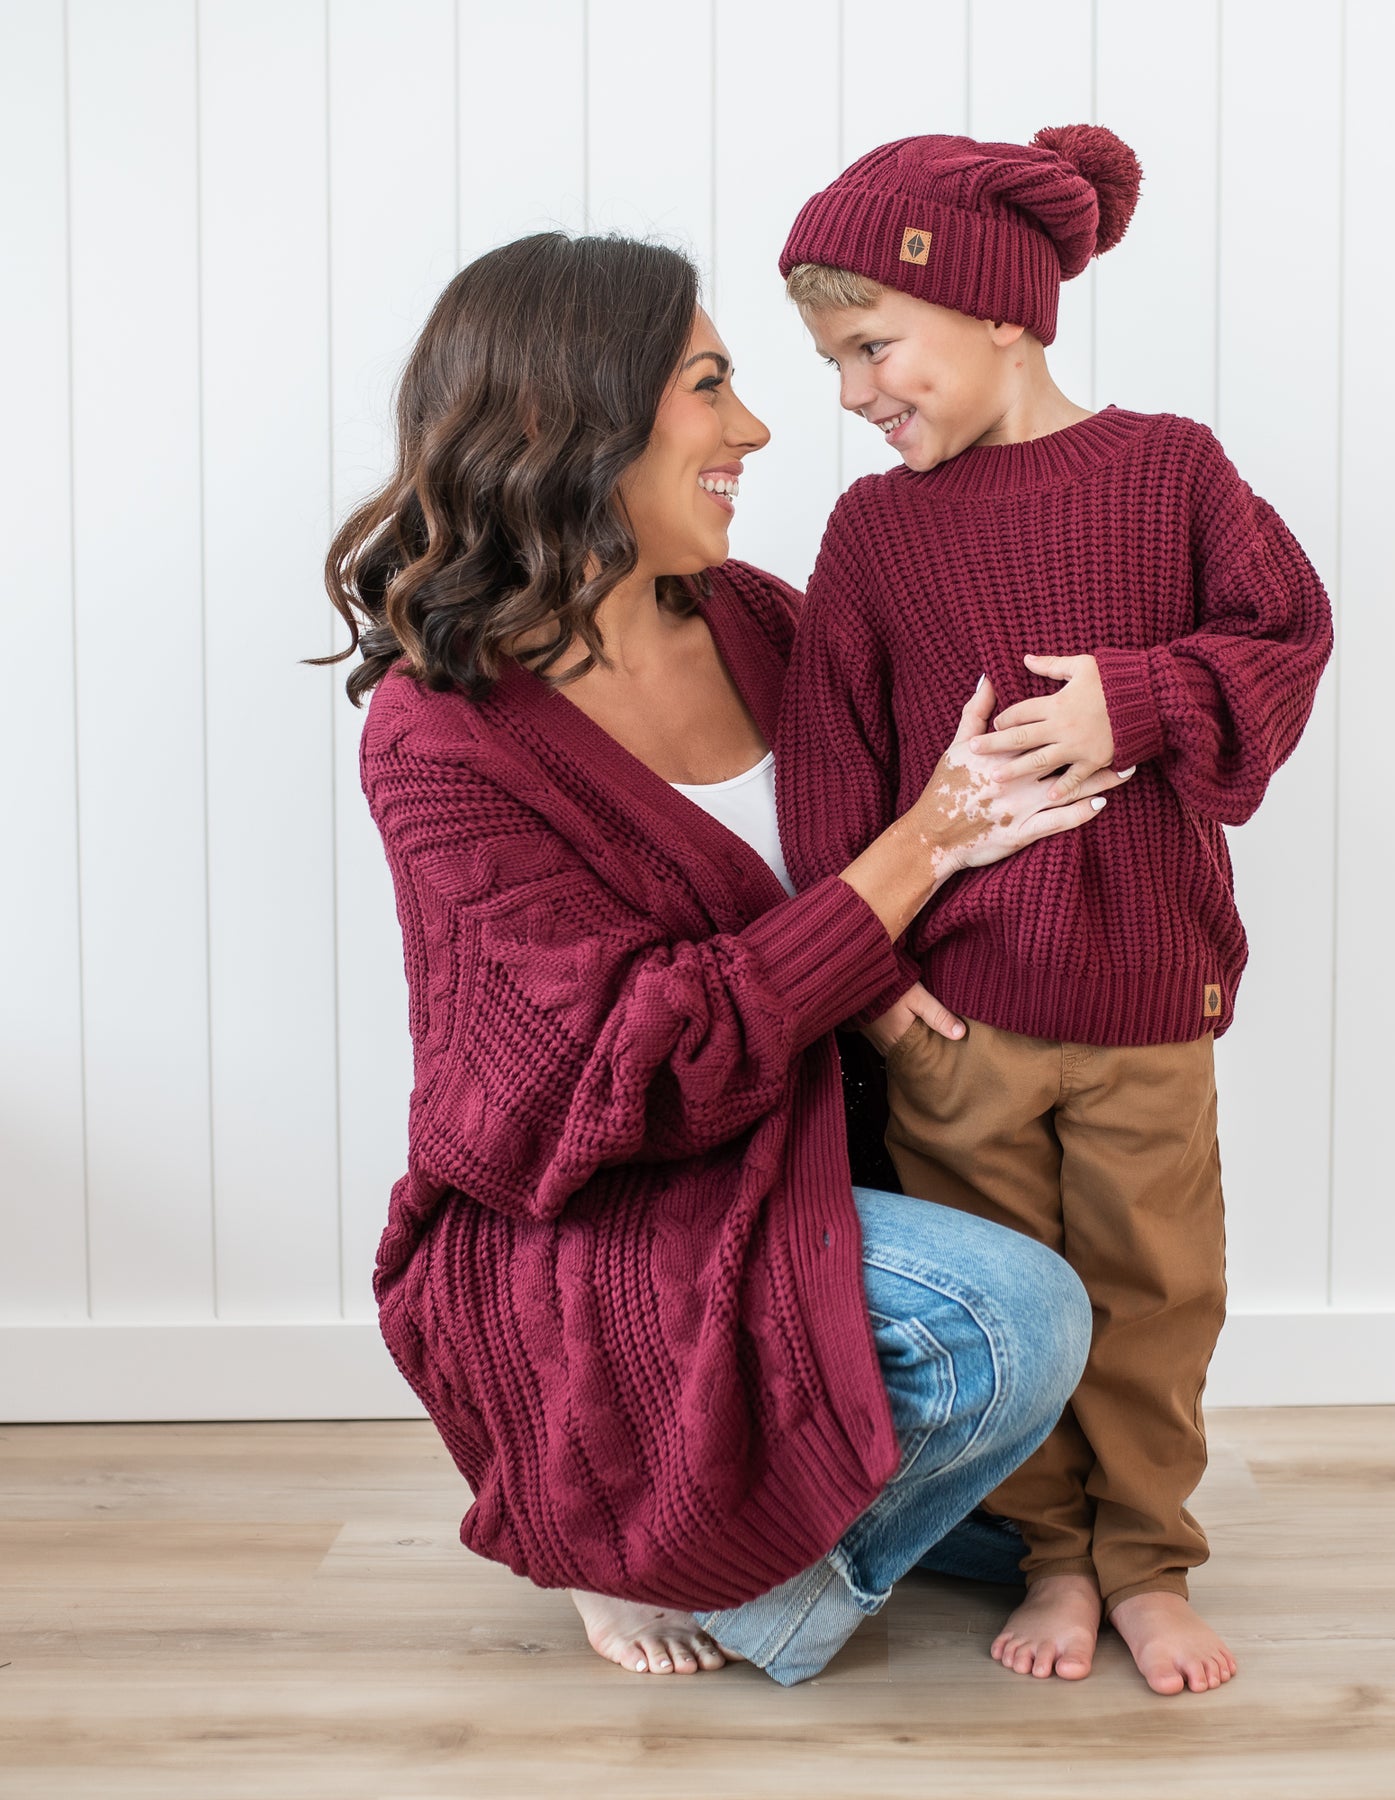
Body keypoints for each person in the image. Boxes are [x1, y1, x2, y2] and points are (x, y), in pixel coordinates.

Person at [317, 231, 1132, 1686]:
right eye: (709, 385)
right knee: (1014, 1321)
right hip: (608, 1203)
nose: (754, 428)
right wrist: (922, 847)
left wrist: (1138, 687)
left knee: (1061, 1494)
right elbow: (628, 1060)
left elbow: (960, 761)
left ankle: (729, 1535)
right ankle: (652, 1557)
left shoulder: (758, 622)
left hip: (813, 1150)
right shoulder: (441, 734)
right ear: (578, 416)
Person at [775, 125, 1335, 1696]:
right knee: (1016, 1302)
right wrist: (870, 982)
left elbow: (1286, 633)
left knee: (1155, 1294)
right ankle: (1051, 1556)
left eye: (872, 346)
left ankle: (1147, 1560)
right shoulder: (873, 534)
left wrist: (1137, 701)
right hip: (958, 1022)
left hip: (1150, 997)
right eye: (831, 363)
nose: (853, 393)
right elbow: (829, 768)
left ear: (998, 311)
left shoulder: (1172, 472)